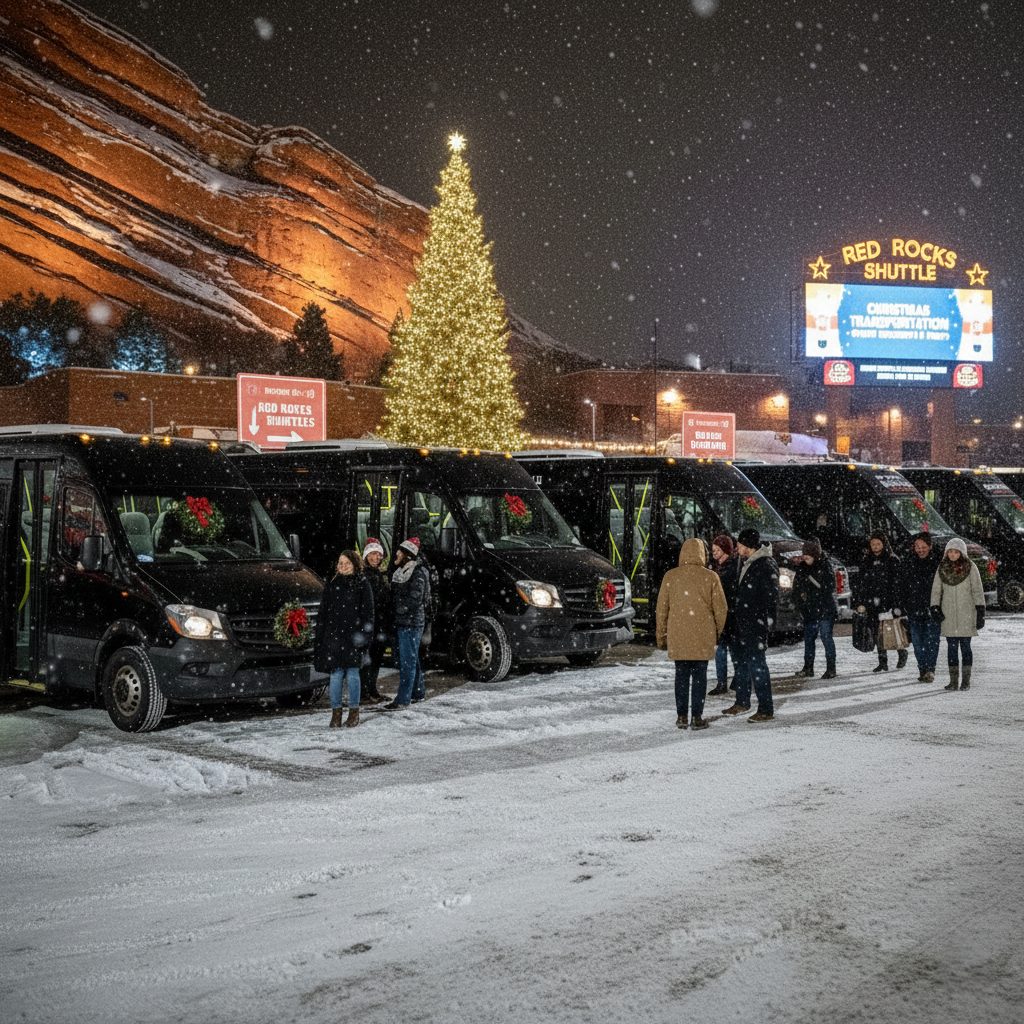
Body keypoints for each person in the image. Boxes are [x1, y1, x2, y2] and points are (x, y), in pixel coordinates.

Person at [656, 537, 728, 729]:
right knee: (699, 676)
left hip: (678, 635)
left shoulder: (670, 576)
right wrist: (717, 634)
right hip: (702, 636)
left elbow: (662, 610)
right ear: (702, 554)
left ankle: (681, 716)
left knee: (680, 676)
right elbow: (721, 610)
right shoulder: (711, 577)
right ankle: (697, 716)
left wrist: (661, 636)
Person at [313, 549, 375, 728]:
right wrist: (322, 635)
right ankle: (336, 715)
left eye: (346, 563)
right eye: (340, 563)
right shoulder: (332, 584)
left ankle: (354, 713)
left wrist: (365, 635)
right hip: (334, 636)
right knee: (336, 673)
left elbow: (368, 614)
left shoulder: (362, 584)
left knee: (353, 672)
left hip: (354, 636)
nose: (343, 566)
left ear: (354, 565)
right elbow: (323, 612)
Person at [724, 528, 779, 723]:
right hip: (741, 623)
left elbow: (770, 598)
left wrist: (755, 615)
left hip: (754, 624)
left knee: (757, 665)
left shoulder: (765, 564)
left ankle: (766, 708)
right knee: (741, 664)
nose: (736, 547)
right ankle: (742, 701)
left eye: (739, 544)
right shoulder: (744, 562)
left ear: (748, 545)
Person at [382, 537, 431, 711]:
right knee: (412, 659)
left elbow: (416, 599)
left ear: (408, 555)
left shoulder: (417, 572)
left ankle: (402, 699)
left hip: (411, 623)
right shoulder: (401, 572)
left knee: (407, 662)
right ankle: (418, 693)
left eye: (400, 552)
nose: (397, 554)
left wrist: (398, 609)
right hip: (404, 622)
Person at [930, 538, 984, 691]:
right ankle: (953, 680)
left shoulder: (971, 567)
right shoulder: (942, 568)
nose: (953, 555)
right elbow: (936, 590)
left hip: (967, 613)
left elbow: (977, 590)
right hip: (948, 615)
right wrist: (935, 607)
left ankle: (966, 681)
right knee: (952, 648)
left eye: (956, 552)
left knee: (966, 647)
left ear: (961, 552)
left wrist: (980, 611)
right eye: (950, 552)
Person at [854, 530, 907, 673]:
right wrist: (861, 601)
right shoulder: (867, 560)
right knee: (877, 633)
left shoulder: (892, 559)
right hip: (872, 602)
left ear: (883, 544)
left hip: (887, 602)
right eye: (873, 544)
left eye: (878, 544)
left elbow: (897, 583)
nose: (875, 547)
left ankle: (901, 652)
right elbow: (861, 583)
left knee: (891, 630)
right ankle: (882, 661)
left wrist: (896, 603)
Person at [793, 538, 838, 679]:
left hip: (824, 609)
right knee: (809, 639)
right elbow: (797, 587)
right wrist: (801, 597)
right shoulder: (802, 568)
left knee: (826, 637)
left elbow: (829, 587)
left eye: (808, 557)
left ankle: (831, 668)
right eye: (804, 557)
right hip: (810, 610)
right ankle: (808, 668)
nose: (806, 560)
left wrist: (811, 593)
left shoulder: (825, 566)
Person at [901, 531, 942, 682]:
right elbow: (902, 585)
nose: (920, 549)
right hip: (914, 607)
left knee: (932, 641)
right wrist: (902, 603)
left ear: (930, 546)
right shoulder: (908, 562)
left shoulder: (938, 562)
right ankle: (922, 668)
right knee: (918, 643)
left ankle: (930, 669)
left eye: (923, 546)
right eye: (918, 546)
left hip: (933, 608)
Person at [708, 534, 743, 696]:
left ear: (725, 550)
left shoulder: (731, 568)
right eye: (713, 550)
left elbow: (725, 593)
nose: (713, 553)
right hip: (725, 615)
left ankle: (730, 681)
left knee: (728, 649)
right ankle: (729, 681)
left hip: (731, 615)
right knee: (725, 649)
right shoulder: (718, 567)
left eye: (717, 550)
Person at [359, 537, 390, 704]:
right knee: (367, 658)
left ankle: (372, 690)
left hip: (380, 623)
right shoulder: (362, 575)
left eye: (379, 554)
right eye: (372, 554)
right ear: (366, 555)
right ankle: (364, 692)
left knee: (377, 657)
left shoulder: (382, 574)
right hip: (369, 623)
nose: (376, 558)